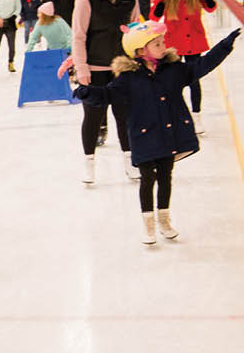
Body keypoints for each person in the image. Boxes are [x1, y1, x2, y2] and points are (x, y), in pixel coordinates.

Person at [75, 23, 239, 243]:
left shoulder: (174, 70)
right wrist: (87, 92)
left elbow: (202, 66)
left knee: (165, 177)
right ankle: (148, 224)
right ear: (141, 50)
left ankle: (164, 219)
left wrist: (225, 45)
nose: (164, 47)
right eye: (157, 44)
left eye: (163, 42)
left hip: (168, 135)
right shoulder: (128, 78)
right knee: (147, 179)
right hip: (144, 137)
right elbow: (106, 95)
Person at [72, 0, 139, 184]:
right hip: (94, 70)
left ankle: (130, 161)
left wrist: (139, 63)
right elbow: (78, 36)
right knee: (93, 118)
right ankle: (89, 164)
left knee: (125, 118)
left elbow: (136, 31)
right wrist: (81, 68)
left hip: (123, 68)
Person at [150, 0, 219, 133]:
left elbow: (210, 8)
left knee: (194, 79)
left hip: (193, 38)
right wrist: (159, 8)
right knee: (172, 80)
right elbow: (154, 17)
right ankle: (173, 116)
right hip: (174, 41)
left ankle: (196, 116)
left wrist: (209, 2)